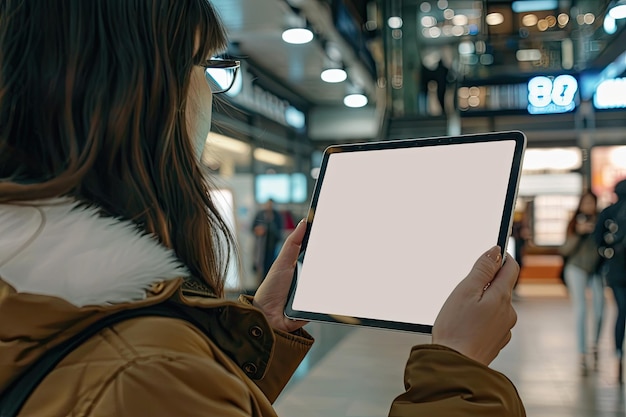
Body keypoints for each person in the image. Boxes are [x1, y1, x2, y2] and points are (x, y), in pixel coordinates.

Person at [0, 1, 525, 415]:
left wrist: (260, 333)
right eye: (204, 65)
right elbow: (150, 386)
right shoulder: (145, 373)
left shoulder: (40, 301)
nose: (209, 91)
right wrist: (457, 373)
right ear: (138, 92)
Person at [560, 192, 603, 376]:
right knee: (581, 310)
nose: (588, 206)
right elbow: (564, 249)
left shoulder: (602, 221)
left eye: (591, 203)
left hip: (596, 270)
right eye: (585, 202)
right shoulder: (573, 223)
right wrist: (579, 232)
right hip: (575, 268)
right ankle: (582, 353)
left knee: (600, 309)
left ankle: (594, 345)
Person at [594, 179, 626, 383]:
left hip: (615, 270)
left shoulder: (609, 212)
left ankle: (618, 353)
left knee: (621, 310)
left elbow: (597, 238)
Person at [252, 198, 284, 282]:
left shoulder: (277, 216)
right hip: (261, 248)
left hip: (273, 247)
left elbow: (280, 232)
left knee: (273, 269)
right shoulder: (260, 215)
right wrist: (259, 230)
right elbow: (253, 228)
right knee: (261, 270)